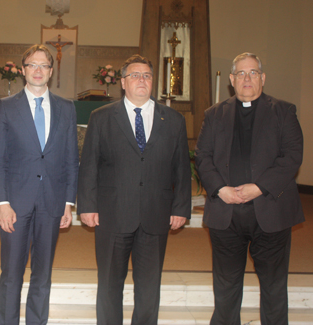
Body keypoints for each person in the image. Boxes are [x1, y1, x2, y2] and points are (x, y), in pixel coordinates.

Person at [77, 54, 191, 325]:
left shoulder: (173, 119)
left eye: (147, 76)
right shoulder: (101, 117)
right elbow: (89, 164)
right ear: (123, 83)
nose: (142, 80)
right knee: (109, 286)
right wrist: (88, 206)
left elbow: (182, 168)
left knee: (149, 288)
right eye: (135, 75)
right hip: (112, 215)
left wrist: (180, 208)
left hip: (156, 214)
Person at [195, 52, 304, 325]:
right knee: (226, 287)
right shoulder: (214, 114)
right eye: (241, 73)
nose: (247, 78)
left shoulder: (283, 111)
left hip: (270, 212)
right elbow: (203, 157)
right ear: (231, 80)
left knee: (274, 287)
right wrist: (220, 189)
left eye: (253, 72)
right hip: (226, 213)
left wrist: (260, 187)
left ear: (263, 78)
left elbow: (292, 157)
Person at [0, 44, 79, 324]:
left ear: (50, 72)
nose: (38, 70)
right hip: (15, 203)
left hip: (52, 203)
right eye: (32, 65)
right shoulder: (5, 107)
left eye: (43, 66)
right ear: (23, 70)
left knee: (43, 274)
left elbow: (70, 158)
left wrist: (68, 203)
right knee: (12, 273)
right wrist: (2, 203)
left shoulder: (66, 108)